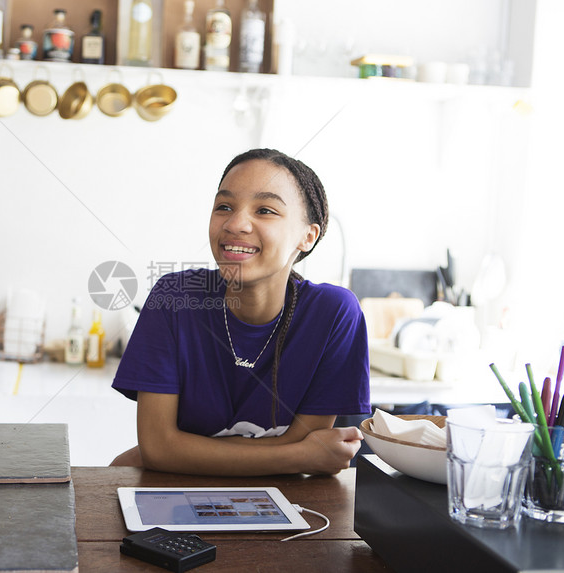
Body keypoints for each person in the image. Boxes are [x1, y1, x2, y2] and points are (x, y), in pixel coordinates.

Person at [111, 148, 370, 476]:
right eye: (224, 206)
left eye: (264, 210)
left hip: (285, 501)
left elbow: (162, 450)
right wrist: (299, 456)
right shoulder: (175, 298)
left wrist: (179, 450)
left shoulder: (334, 314)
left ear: (308, 236)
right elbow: (159, 447)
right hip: (169, 494)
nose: (235, 223)